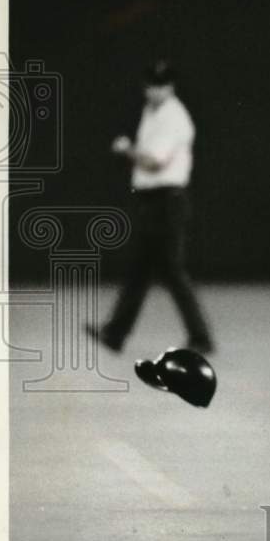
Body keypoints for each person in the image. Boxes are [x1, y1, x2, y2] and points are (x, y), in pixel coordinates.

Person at [87, 59, 214, 355]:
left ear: (171, 86)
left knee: (170, 269)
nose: (157, 90)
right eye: (153, 84)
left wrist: (125, 150)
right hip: (153, 201)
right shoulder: (151, 111)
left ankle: (201, 337)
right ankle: (116, 334)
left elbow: (156, 161)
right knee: (140, 269)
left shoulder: (174, 117)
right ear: (146, 86)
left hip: (168, 201)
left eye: (163, 84)